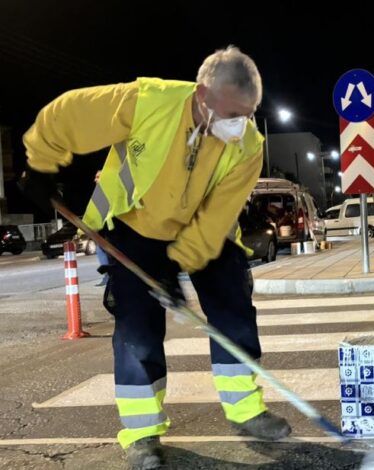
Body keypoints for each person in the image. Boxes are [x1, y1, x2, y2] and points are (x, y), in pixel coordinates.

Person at [19, 46, 290, 469]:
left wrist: (178, 263)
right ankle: (143, 433)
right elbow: (67, 114)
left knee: (233, 306)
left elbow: (218, 214)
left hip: (205, 228)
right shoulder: (150, 101)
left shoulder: (248, 144)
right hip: (134, 225)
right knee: (138, 329)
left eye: (249, 114)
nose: (241, 126)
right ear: (202, 95)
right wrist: (41, 164)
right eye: (232, 114)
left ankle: (246, 410)